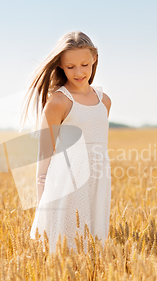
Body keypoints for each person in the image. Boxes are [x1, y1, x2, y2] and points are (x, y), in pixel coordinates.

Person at [20, 31, 112, 253]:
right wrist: (43, 206)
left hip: (99, 180)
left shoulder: (105, 101)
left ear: (94, 59)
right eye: (70, 67)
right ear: (60, 65)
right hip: (66, 184)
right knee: (65, 249)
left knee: (95, 248)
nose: (79, 72)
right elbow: (45, 157)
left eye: (84, 64)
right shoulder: (59, 102)